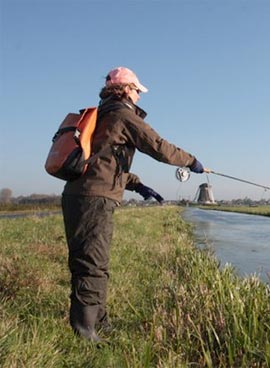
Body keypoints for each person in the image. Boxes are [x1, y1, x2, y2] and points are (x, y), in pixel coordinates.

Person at [62, 66, 209, 341]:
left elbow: (102, 162)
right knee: (92, 264)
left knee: (91, 261)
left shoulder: (103, 113)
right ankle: (84, 333)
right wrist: (192, 161)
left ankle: (99, 322)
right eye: (138, 90)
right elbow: (158, 145)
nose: (140, 96)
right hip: (94, 199)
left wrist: (137, 184)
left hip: (79, 194)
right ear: (126, 89)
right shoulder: (122, 114)